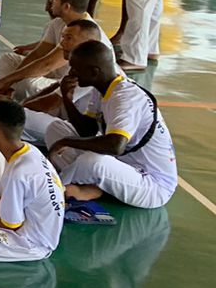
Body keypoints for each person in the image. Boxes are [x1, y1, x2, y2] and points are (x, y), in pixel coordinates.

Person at [40, 41, 176, 209]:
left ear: (94, 71)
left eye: (75, 68)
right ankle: (93, 186)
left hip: (152, 185)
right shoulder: (102, 88)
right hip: (121, 164)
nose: (71, 73)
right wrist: (67, 99)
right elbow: (87, 130)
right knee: (56, 129)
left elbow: (115, 146)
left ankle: (53, 189)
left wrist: (67, 142)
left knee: (93, 161)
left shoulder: (125, 98)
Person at [0, 101, 65, 263]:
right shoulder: (30, 152)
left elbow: (11, 225)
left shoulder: (17, 173)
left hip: (30, 243)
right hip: (41, 231)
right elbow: (10, 199)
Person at [0, 0, 92, 102]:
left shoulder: (83, 32)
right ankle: (4, 98)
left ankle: (8, 103)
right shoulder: (57, 23)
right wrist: (8, 82)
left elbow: (47, 64)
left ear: (66, 7)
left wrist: (6, 81)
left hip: (67, 84)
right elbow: (37, 54)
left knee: (27, 82)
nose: (51, 0)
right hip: (52, 75)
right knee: (8, 60)